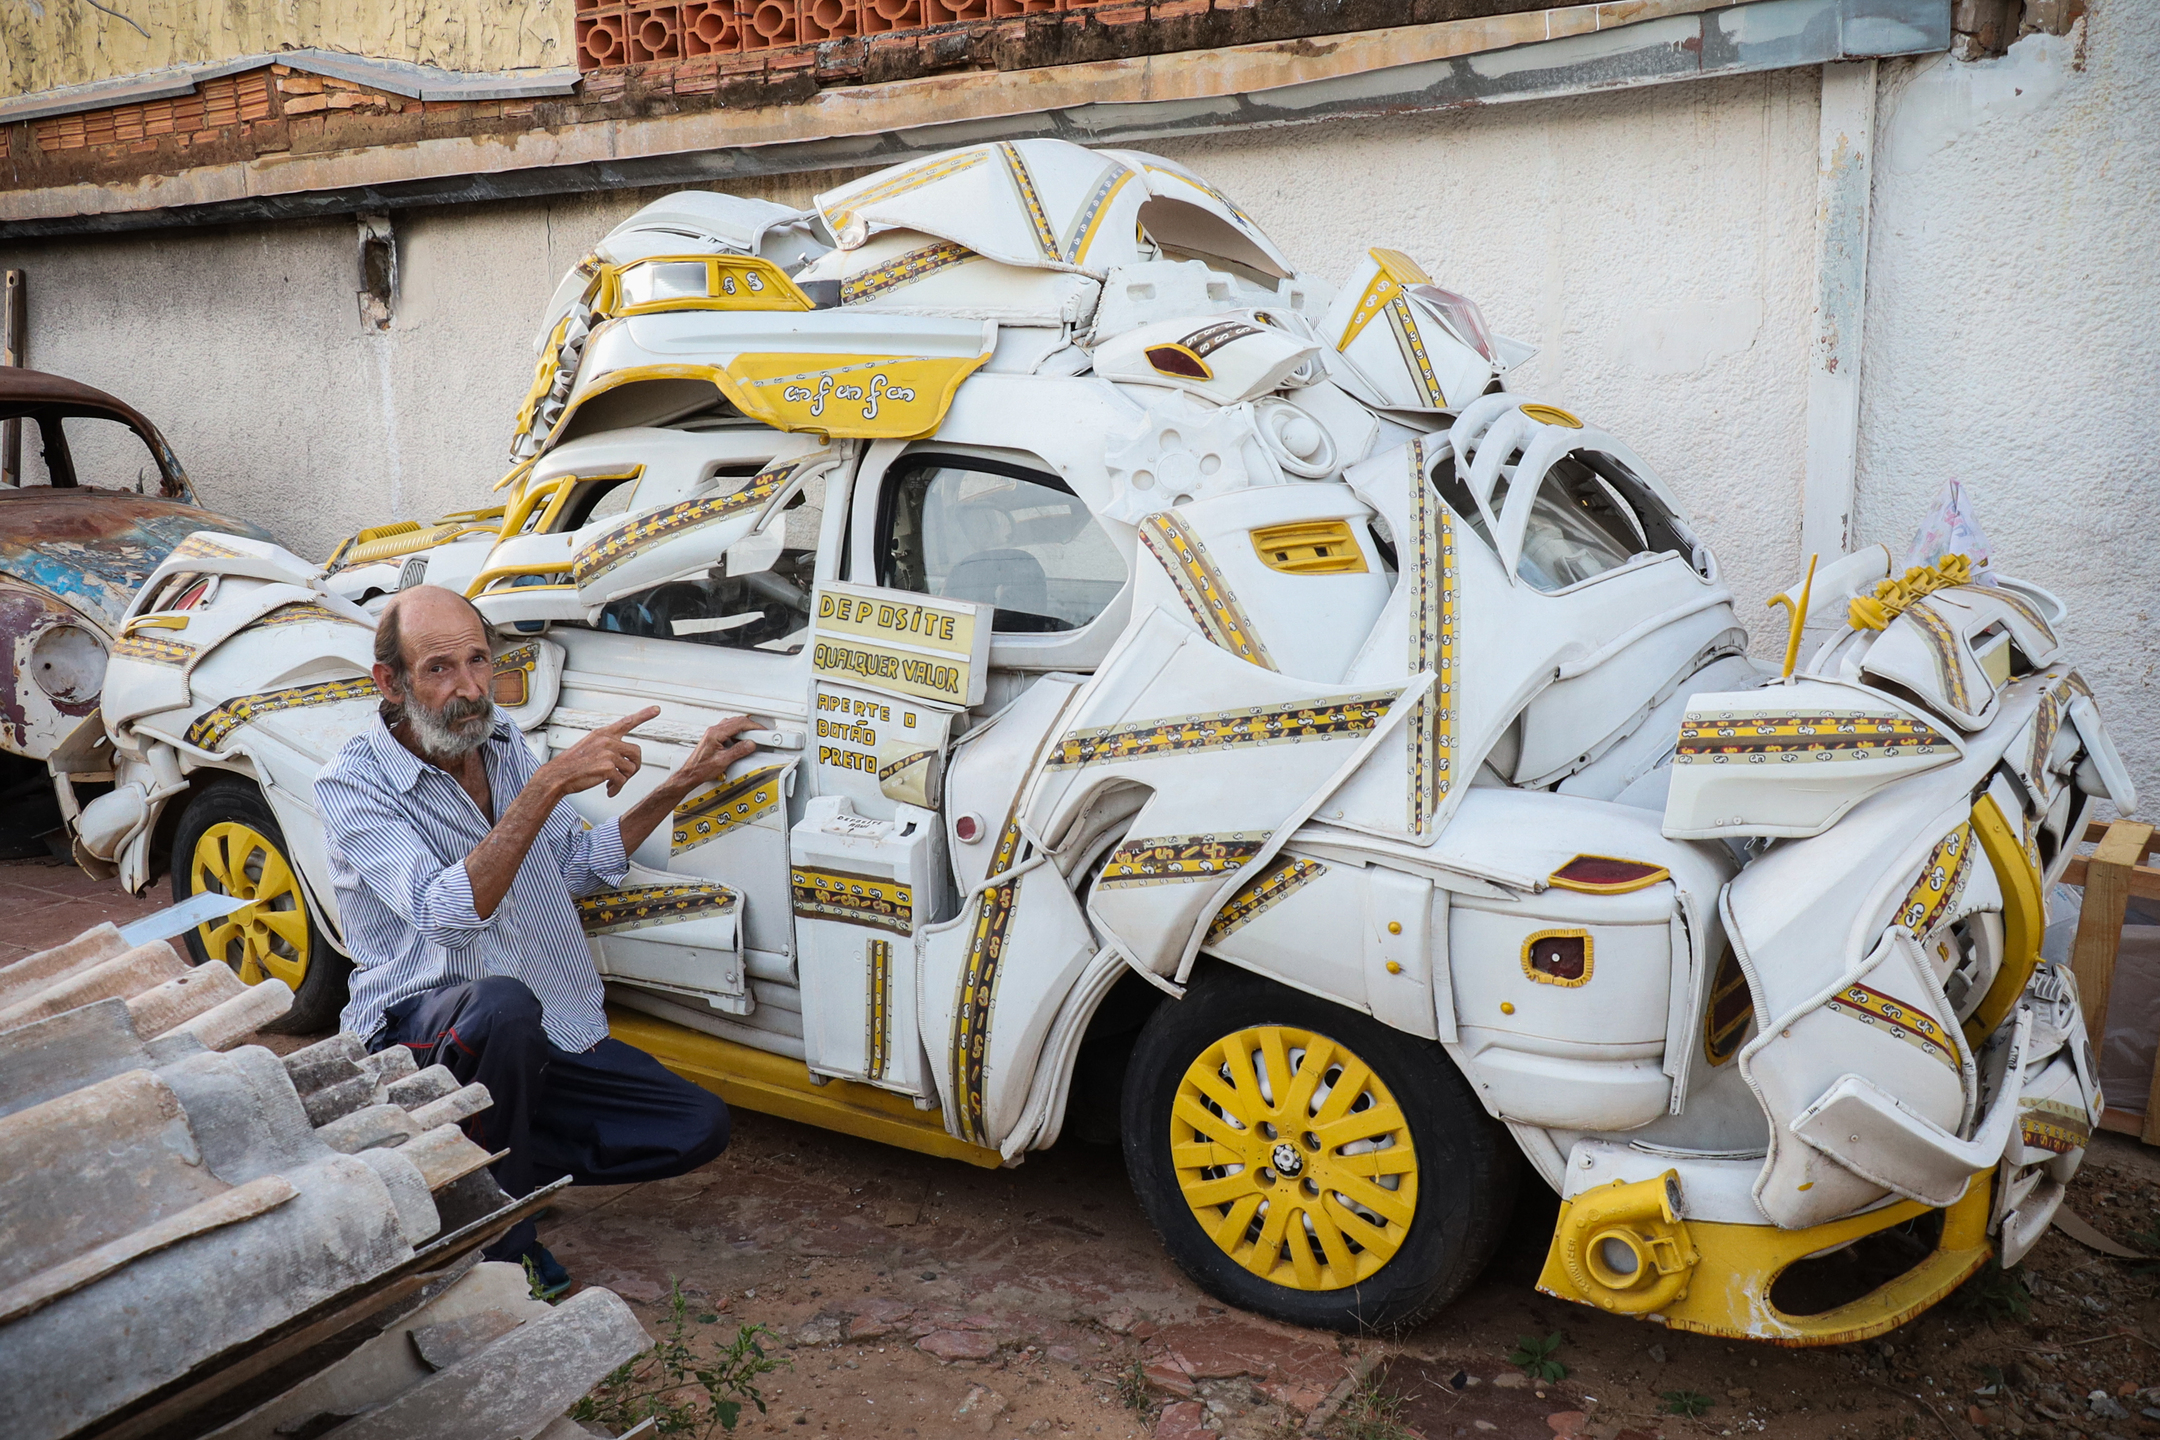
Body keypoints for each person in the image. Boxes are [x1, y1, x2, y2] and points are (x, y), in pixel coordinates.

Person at [316, 584, 757, 1293]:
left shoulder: (502, 745)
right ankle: (499, 1239)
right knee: (501, 1008)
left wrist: (682, 782)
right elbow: (446, 911)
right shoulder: (352, 785)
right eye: (439, 669)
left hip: (539, 1037)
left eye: (478, 661)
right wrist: (546, 785)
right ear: (389, 682)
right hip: (421, 1038)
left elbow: (578, 866)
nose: (468, 688)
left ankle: (476, 1160)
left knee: (696, 1124)